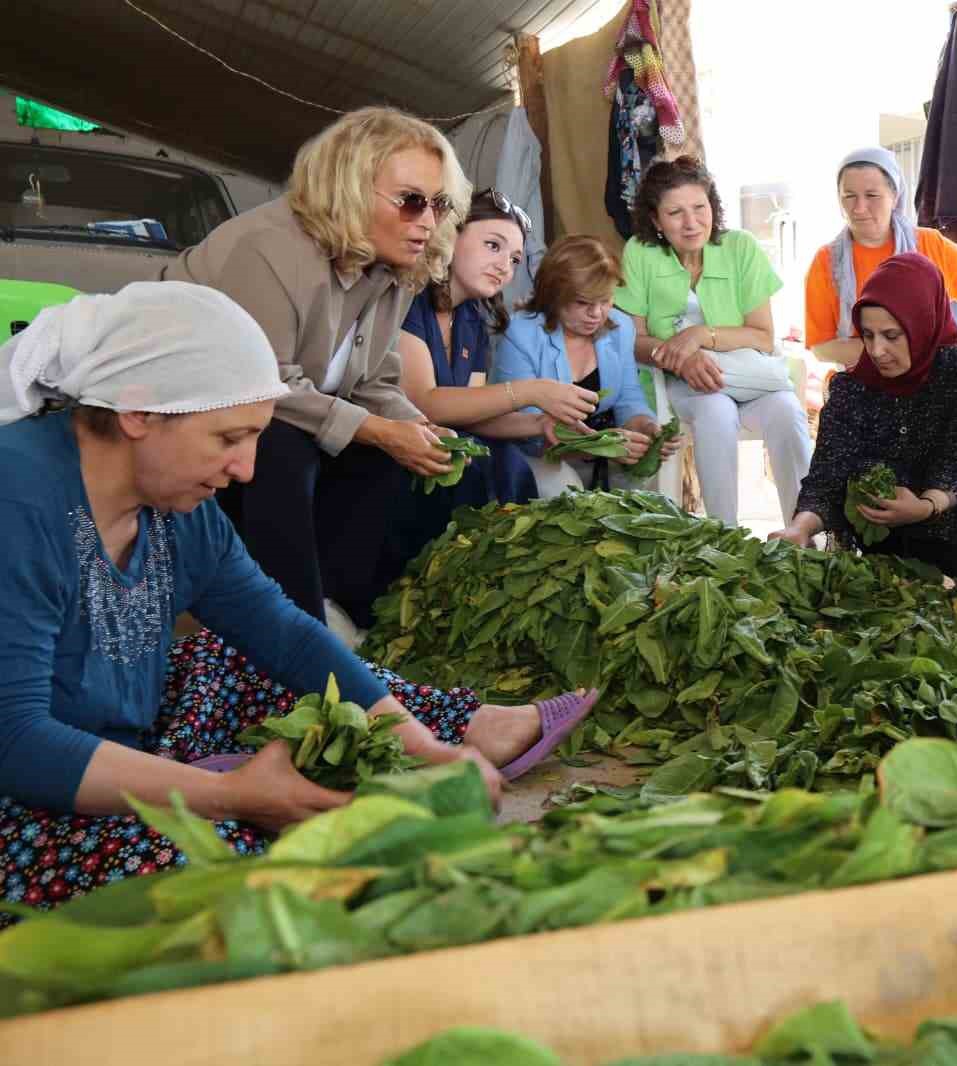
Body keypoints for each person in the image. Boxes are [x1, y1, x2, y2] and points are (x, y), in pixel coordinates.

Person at [0, 284, 596, 921]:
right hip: (18, 803)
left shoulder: (177, 509)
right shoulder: (19, 504)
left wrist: (416, 743)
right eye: (230, 437)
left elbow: (283, 632)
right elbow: (17, 743)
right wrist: (227, 795)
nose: (246, 468)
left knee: (241, 663)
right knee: (223, 874)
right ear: (138, 413)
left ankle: (457, 731)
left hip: (120, 735)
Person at [160, 106, 471, 630]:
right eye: (411, 201)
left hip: (277, 416)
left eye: (439, 204)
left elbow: (373, 380)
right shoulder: (268, 248)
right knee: (284, 446)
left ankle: (348, 607)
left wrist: (416, 429)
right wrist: (380, 429)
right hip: (185, 420)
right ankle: (293, 630)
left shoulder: (395, 266)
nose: (428, 220)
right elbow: (261, 386)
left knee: (405, 458)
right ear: (349, 188)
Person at [384, 189, 599, 573]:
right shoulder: (410, 300)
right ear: (452, 234)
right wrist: (533, 392)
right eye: (492, 246)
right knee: (476, 470)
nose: (504, 266)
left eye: (514, 259)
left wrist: (539, 422)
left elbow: (472, 413)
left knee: (507, 462)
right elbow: (423, 401)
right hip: (397, 450)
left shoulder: (472, 322)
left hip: (447, 446)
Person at [771, 254, 957, 586]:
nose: (876, 350)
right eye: (868, 335)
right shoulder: (850, 388)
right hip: (885, 514)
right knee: (883, 579)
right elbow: (829, 474)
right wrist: (799, 529)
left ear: (922, 325)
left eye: (891, 335)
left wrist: (927, 505)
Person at [615, 156, 813, 526]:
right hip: (685, 384)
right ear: (656, 220)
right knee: (715, 410)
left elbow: (762, 335)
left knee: (787, 411)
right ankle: (725, 535)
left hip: (750, 377)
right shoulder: (640, 254)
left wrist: (699, 336)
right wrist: (681, 359)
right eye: (675, 213)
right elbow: (634, 340)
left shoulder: (741, 247)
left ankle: (806, 534)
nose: (691, 223)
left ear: (713, 207)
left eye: (699, 208)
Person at [495, 235, 682, 497]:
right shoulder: (520, 333)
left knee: (648, 496)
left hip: (601, 456)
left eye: (605, 300)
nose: (597, 313)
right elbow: (530, 434)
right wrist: (602, 446)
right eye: (583, 303)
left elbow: (629, 398)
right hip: (532, 457)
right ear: (554, 295)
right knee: (561, 485)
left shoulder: (621, 327)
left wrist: (645, 427)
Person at [804, 147, 957, 388]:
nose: (858, 208)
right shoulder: (826, 261)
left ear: (894, 196)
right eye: (849, 196)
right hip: (863, 384)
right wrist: (891, 352)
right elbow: (821, 346)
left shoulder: (929, 245)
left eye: (872, 195)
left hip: (933, 383)